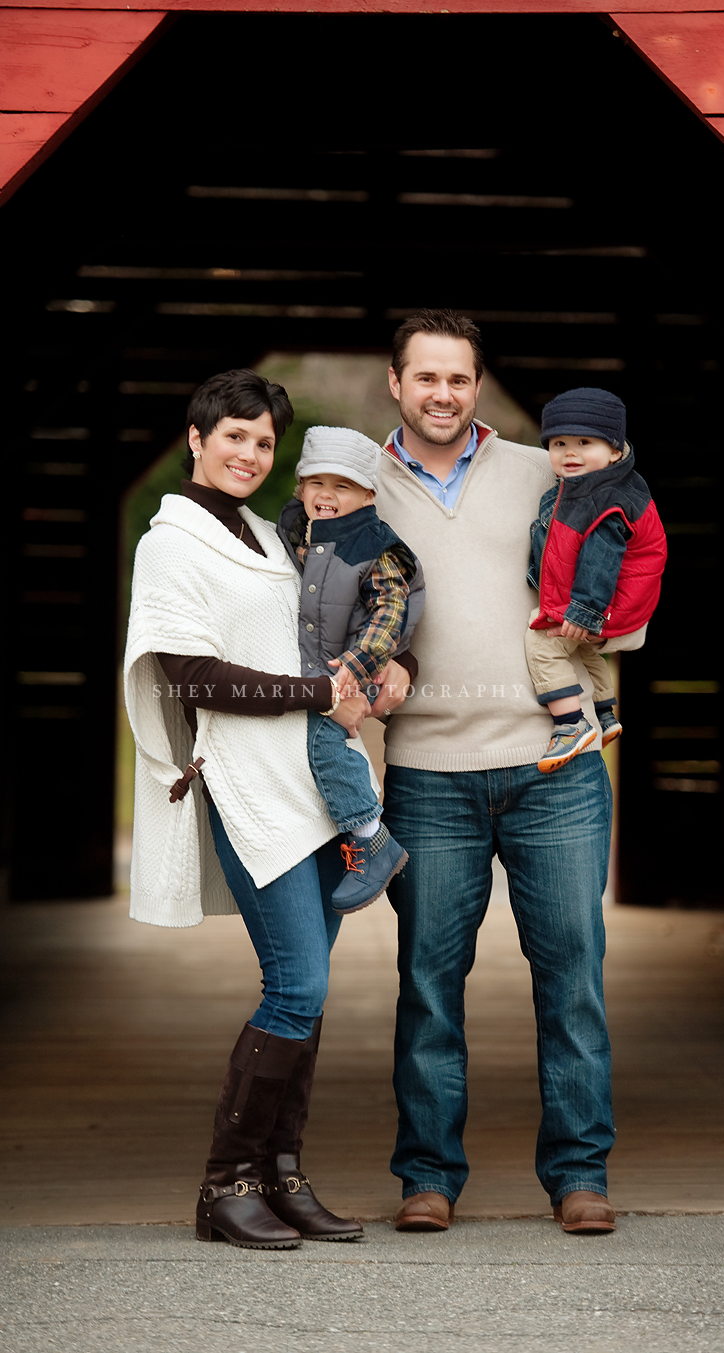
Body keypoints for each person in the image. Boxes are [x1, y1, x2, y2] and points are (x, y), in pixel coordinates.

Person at [124, 369, 383, 1250]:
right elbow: (188, 675)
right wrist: (319, 691)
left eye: (264, 441)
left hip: (315, 785)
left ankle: (283, 1175)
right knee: (296, 984)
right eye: (233, 435)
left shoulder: (274, 540)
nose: (248, 453)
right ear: (196, 439)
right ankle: (225, 1181)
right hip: (245, 782)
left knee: (308, 997)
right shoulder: (171, 544)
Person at [376, 310, 618, 1235]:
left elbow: (627, 544)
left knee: (573, 976)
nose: (444, 393)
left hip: (553, 765)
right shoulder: (359, 483)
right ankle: (428, 1175)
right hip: (426, 773)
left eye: (460, 379)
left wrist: (608, 631)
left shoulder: (541, 467)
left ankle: (580, 1174)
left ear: (478, 385)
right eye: (426, 377)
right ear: (395, 382)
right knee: (430, 984)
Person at [275, 425, 424, 914]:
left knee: (324, 742)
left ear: (367, 495)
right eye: (316, 483)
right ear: (300, 488)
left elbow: (389, 612)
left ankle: (370, 837)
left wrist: (356, 668)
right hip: (319, 669)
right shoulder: (297, 533)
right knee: (319, 746)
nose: (327, 495)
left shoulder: (373, 544)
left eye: (342, 486)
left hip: (351, 666)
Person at [525, 387, 667, 773]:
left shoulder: (604, 500)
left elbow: (601, 559)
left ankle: (570, 723)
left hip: (608, 602)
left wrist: (584, 611)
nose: (569, 453)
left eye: (584, 442)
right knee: (584, 650)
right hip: (615, 602)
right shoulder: (598, 486)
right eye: (558, 443)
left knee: (542, 644)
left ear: (615, 451)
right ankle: (605, 712)